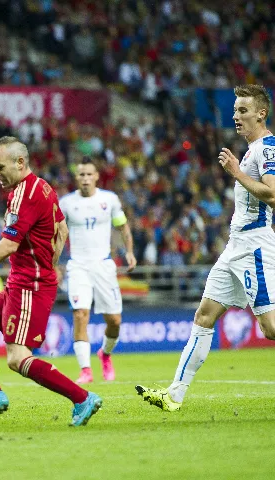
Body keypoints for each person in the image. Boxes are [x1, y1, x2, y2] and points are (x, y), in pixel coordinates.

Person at [0, 136, 102, 427]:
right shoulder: (43, 187)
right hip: (22, 283)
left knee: (17, 358)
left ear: (20, 162)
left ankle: (82, 397)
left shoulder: (25, 194)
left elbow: (8, 245)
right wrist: (51, 265)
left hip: (29, 287)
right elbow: (62, 229)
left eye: (0, 167)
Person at [137, 84, 275, 411]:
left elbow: (272, 194)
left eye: (243, 110)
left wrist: (236, 173)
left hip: (254, 247)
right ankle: (174, 395)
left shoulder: (268, 149)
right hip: (235, 246)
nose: (236, 116)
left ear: (261, 113)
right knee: (204, 315)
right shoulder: (252, 149)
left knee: (270, 328)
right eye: (235, 110)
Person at [59, 157, 137, 383]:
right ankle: (85, 370)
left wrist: (129, 252)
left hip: (103, 265)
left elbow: (123, 227)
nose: (85, 178)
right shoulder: (66, 203)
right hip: (78, 266)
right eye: (81, 174)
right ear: (76, 177)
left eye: (88, 174)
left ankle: (105, 354)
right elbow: (58, 235)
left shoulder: (109, 200)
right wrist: (54, 265)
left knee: (114, 321)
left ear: (96, 176)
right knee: (80, 314)